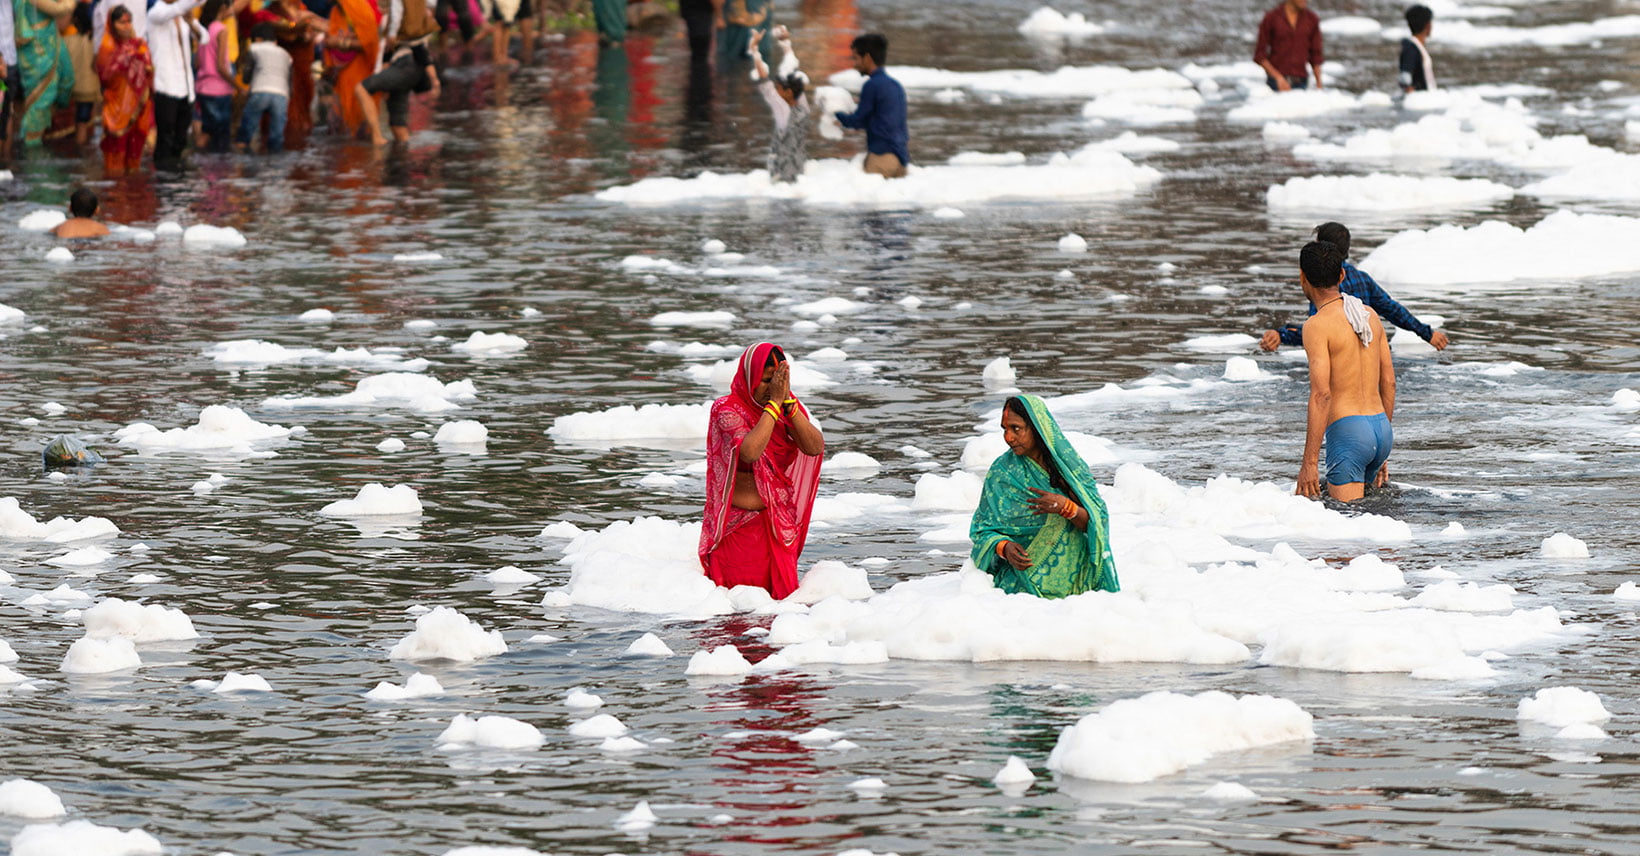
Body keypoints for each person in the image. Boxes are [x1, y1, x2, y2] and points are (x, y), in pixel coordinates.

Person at [699, 342, 825, 600]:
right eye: (766, 380)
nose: (772, 388)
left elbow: (814, 447)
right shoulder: (726, 408)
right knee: (739, 617)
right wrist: (774, 405)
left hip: (777, 529)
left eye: (777, 380)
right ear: (749, 378)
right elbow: (750, 451)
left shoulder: (787, 408)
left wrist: (787, 406)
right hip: (738, 535)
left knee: (781, 612)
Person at [969, 395, 1119, 598]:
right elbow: (981, 530)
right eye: (1004, 429)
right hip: (1023, 584)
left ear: (1037, 428)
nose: (1008, 437)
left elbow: (1096, 523)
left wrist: (1065, 507)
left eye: (1016, 428)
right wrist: (1004, 547)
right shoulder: (1002, 472)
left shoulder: (1069, 468)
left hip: (1078, 586)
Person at [1293, 240, 1396, 502]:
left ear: (1302, 277)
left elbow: (1321, 396)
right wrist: (1381, 450)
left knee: (1346, 535)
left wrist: (1309, 464)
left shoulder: (1316, 326)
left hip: (1349, 432)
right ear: (1341, 275)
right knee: (1373, 524)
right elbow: (1389, 383)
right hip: (1381, 429)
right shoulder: (1369, 315)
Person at [1261, 222, 1449, 352]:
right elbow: (1393, 310)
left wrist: (1282, 335)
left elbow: (1318, 331)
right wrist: (1427, 333)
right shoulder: (1362, 279)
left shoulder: (1322, 284)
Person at [357, 0, 439, 145]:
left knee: (361, 88)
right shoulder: (415, 21)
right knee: (397, 125)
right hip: (406, 69)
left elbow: (397, 16)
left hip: (404, 66)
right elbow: (415, 50)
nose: (378, 8)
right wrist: (434, 79)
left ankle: (376, 137)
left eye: (380, 5)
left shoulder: (398, 22)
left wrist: (434, 79)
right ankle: (402, 154)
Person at [251, 0, 324, 149]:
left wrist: (308, 30)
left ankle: (298, 146)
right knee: (285, 115)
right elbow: (288, 34)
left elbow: (314, 31)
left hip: (303, 69)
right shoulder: (269, 12)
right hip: (282, 71)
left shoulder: (300, 7)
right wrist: (301, 26)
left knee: (303, 113)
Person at [834, 33, 907, 178]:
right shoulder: (896, 85)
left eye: (855, 58)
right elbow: (879, 120)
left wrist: (836, 113)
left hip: (881, 158)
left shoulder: (872, 85)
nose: (854, 64)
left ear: (867, 58)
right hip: (900, 158)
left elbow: (858, 121)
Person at [146, 0, 204, 170]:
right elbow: (177, 8)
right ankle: (164, 178)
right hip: (165, 85)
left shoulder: (182, 15)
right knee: (166, 135)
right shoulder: (156, 13)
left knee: (181, 137)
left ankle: (177, 177)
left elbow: (204, 37)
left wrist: (191, 22)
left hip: (185, 86)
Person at [95, 4, 152, 174]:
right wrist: (125, 58)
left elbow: (148, 71)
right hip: (116, 109)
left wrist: (135, 55)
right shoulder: (107, 47)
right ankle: (115, 198)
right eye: (122, 22)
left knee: (134, 163)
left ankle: (132, 198)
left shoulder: (139, 45)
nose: (127, 26)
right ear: (111, 25)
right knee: (115, 165)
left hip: (139, 107)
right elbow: (104, 76)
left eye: (129, 22)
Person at [748, 27, 807, 183]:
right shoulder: (803, 106)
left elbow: (765, 84)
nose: (776, 90)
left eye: (779, 88)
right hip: (798, 169)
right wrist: (785, 43)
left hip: (781, 174)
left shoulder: (784, 112)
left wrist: (754, 50)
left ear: (788, 93)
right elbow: (794, 70)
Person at [15, 0, 76, 146]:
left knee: (67, 79)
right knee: (41, 98)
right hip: (35, 48)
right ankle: (32, 144)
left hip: (51, 38)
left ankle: (48, 125)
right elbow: (59, 9)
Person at [324, 0, 381, 138]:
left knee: (359, 119)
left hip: (360, 70)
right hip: (341, 73)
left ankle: (361, 152)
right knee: (336, 125)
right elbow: (330, 37)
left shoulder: (361, 8)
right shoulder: (336, 11)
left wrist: (342, 42)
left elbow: (369, 43)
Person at [194, 0, 240, 152]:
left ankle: (202, 167)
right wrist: (237, 86)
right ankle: (220, 173)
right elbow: (221, 66)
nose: (232, 10)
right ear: (222, 8)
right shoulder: (221, 29)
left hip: (202, 88)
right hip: (219, 91)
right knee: (222, 137)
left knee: (208, 130)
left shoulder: (203, 29)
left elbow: (197, 62)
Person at [237, 23, 290, 151]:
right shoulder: (286, 54)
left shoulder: (255, 48)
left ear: (258, 39)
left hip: (260, 91)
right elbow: (289, 79)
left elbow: (247, 74)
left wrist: (246, 82)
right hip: (281, 95)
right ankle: (276, 159)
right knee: (277, 136)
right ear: (275, 41)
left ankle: (242, 150)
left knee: (247, 129)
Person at [1254, 0, 1322, 92]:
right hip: (1275, 83)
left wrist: (1319, 84)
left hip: (1301, 83)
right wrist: (1278, 78)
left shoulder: (1311, 19)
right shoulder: (1271, 18)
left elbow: (1315, 55)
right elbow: (1259, 55)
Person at [63, 2, 101, 146]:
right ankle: (81, 148)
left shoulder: (66, 40)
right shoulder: (96, 42)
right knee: (82, 121)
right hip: (88, 90)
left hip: (70, 87)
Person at [1399, 4, 1434, 93]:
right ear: (1428, 25)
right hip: (1420, 100)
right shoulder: (1411, 48)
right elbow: (1405, 76)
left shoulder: (1416, 46)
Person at [1, 0, 18, 161]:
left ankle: (6, 159)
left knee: (7, 110)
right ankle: (6, 160)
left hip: (7, 61)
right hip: (8, 59)